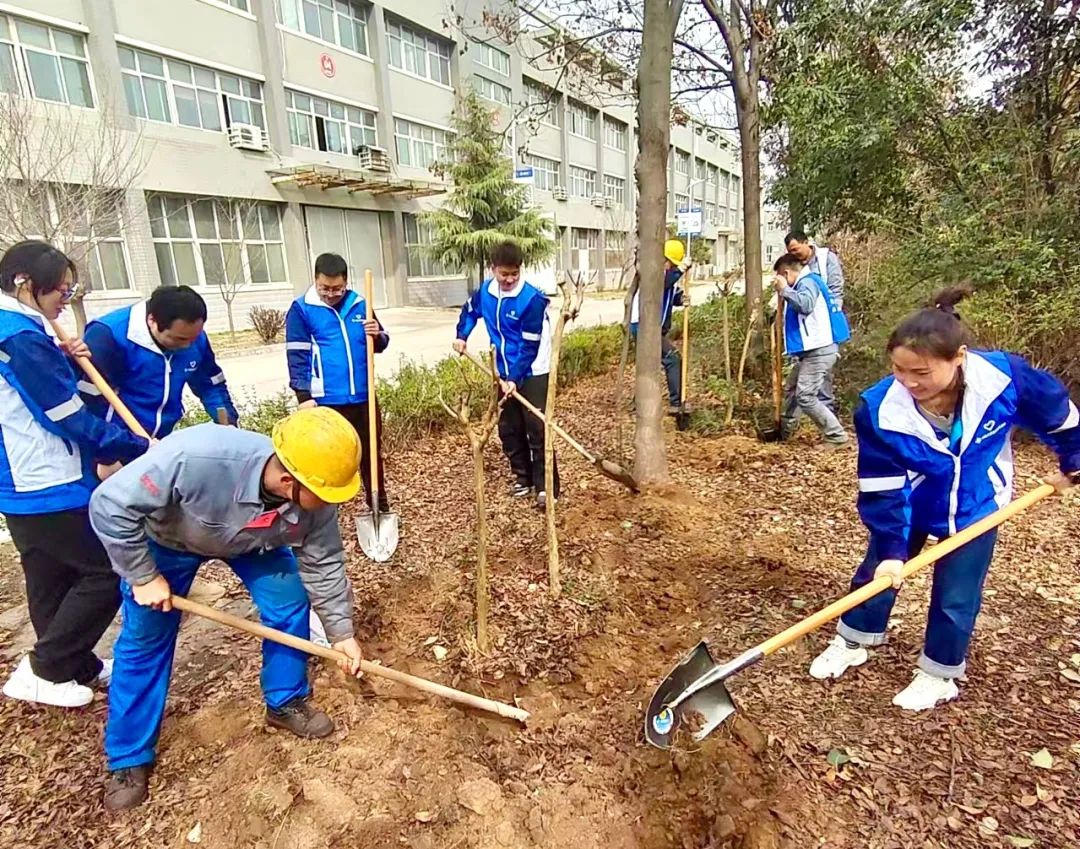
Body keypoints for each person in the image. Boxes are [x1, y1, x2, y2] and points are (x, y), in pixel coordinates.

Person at [809, 286, 1080, 710]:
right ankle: (854, 639)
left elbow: (1058, 414)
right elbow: (881, 483)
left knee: (958, 592)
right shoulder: (880, 409)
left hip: (978, 501)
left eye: (922, 372)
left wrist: (1073, 459)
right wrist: (894, 549)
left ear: (958, 358)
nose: (909, 382)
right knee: (879, 570)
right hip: (911, 501)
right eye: (899, 370)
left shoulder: (1003, 379)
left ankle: (939, 672)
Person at [90, 407, 366, 810]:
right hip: (170, 540)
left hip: (254, 542)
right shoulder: (197, 456)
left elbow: (323, 564)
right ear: (290, 480)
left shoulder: (315, 501)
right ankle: (129, 757)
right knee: (146, 636)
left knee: (290, 600)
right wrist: (142, 575)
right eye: (324, 495)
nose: (328, 504)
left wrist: (342, 634)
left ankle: (285, 701)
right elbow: (109, 505)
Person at [0, 241, 150, 709]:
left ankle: (71, 665)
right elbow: (63, 414)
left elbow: (52, 389)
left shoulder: (23, 329)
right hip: (44, 478)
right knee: (107, 570)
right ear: (26, 284)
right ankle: (44, 668)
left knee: (51, 575)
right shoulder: (19, 336)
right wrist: (136, 444)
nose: (66, 297)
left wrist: (65, 357)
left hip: (22, 482)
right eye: (60, 290)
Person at [453, 240, 558, 509]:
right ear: (492, 269)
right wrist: (461, 336)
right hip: (501, 370)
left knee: (537, 427)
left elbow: (529, 345)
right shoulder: (485, 292)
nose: (509, 279)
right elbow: (470, 312)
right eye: (504, 274)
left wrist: (516, 378)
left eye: (514, 273)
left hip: (533, 369)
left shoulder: (532, 301)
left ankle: (546, 486)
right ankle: (522, 477)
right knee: (509, 427)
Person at [286, 253, 390, 515]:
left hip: (364, 396)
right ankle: (325, 513)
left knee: (371, 455)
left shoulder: (360, 303)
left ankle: (379, 505)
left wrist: (376, 334)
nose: (331, 293)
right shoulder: (302, 309)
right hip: (327, 400)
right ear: (315, 280)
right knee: (328, 459)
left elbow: (382, 343)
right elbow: (297, 354)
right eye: (325, 288)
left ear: (346, 282)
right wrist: (303, 396)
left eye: (337, 288)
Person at [81, 285, 237, 437]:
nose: (188, 345)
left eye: (194, 338)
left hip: (161, 442)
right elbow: (90, 405)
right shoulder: (107, 335)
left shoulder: (194, 337)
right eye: (180, 339)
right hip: (117, 445)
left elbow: (210, 386)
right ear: (152, 321)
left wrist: (227, 424)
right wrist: (109, 451)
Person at [772, 252, 850, 446]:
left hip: (819, 349)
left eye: (780, 277)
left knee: (805, 396)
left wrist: (784, 291)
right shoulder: (804, 283)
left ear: (786, 273)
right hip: (812, 351)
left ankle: (837, 436)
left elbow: (805, 305)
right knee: (792, 389)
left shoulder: (807, 282)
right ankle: (784, 431)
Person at [785, 231, 845, 412]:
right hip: (802, 328)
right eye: (790, 251)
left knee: (822, 368)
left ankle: (826, 410)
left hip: (822, 325)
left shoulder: (825, 259)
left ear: (806, 243)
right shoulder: (795, 266)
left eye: (796, 249)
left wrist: (828, 316)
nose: (794, 254)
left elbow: (836, 289)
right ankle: (803, 413)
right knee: (802, 368)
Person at [630, 239, 691, 414]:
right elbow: (662, 285)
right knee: (672, 359)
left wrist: (681, 300)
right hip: (642, 326)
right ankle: (676, 403)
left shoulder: (668, 275)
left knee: (652, 363)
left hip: (650, 327)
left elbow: (669, 294)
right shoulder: (656, 274)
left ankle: (638, 401)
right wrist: (680, 270)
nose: (668, 266)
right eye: (670, 263)